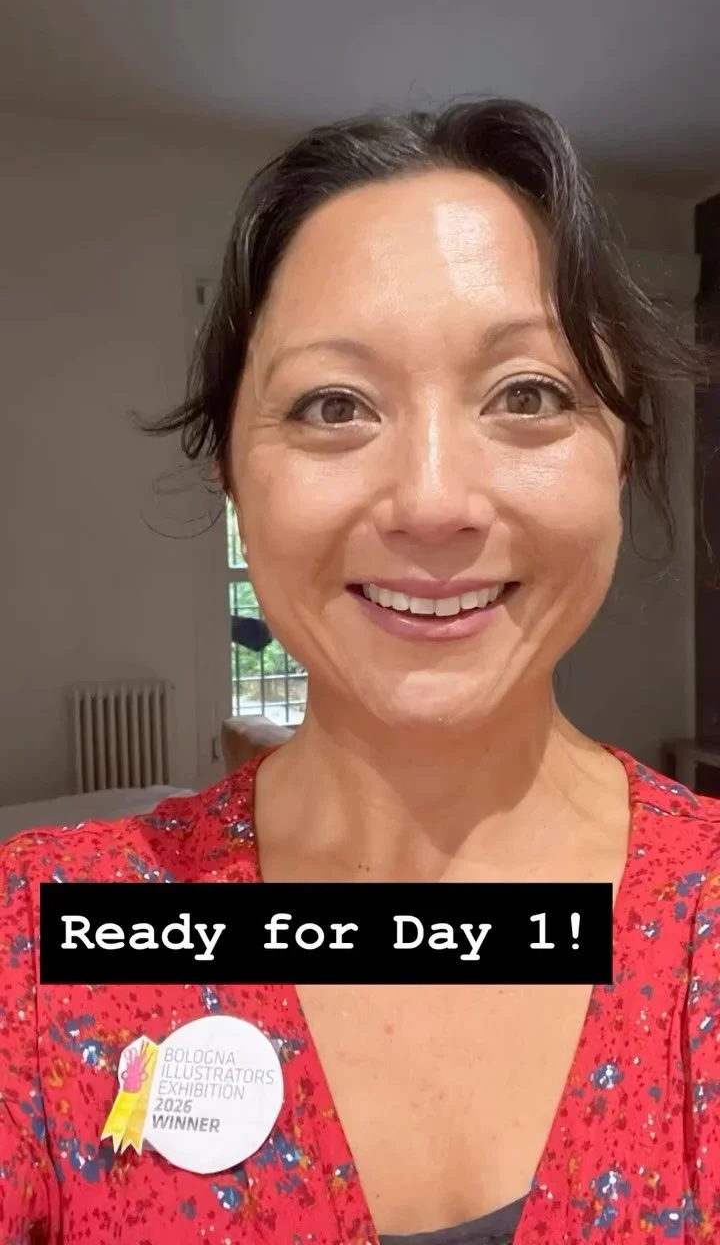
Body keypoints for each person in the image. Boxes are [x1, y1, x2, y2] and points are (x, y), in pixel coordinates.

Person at [0, 97, 716, 1245]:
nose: (431, 501)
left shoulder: (704, 921)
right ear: (233, 475)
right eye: (333, 404)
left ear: (621, 452)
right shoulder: (49, 941)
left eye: (527, 393)